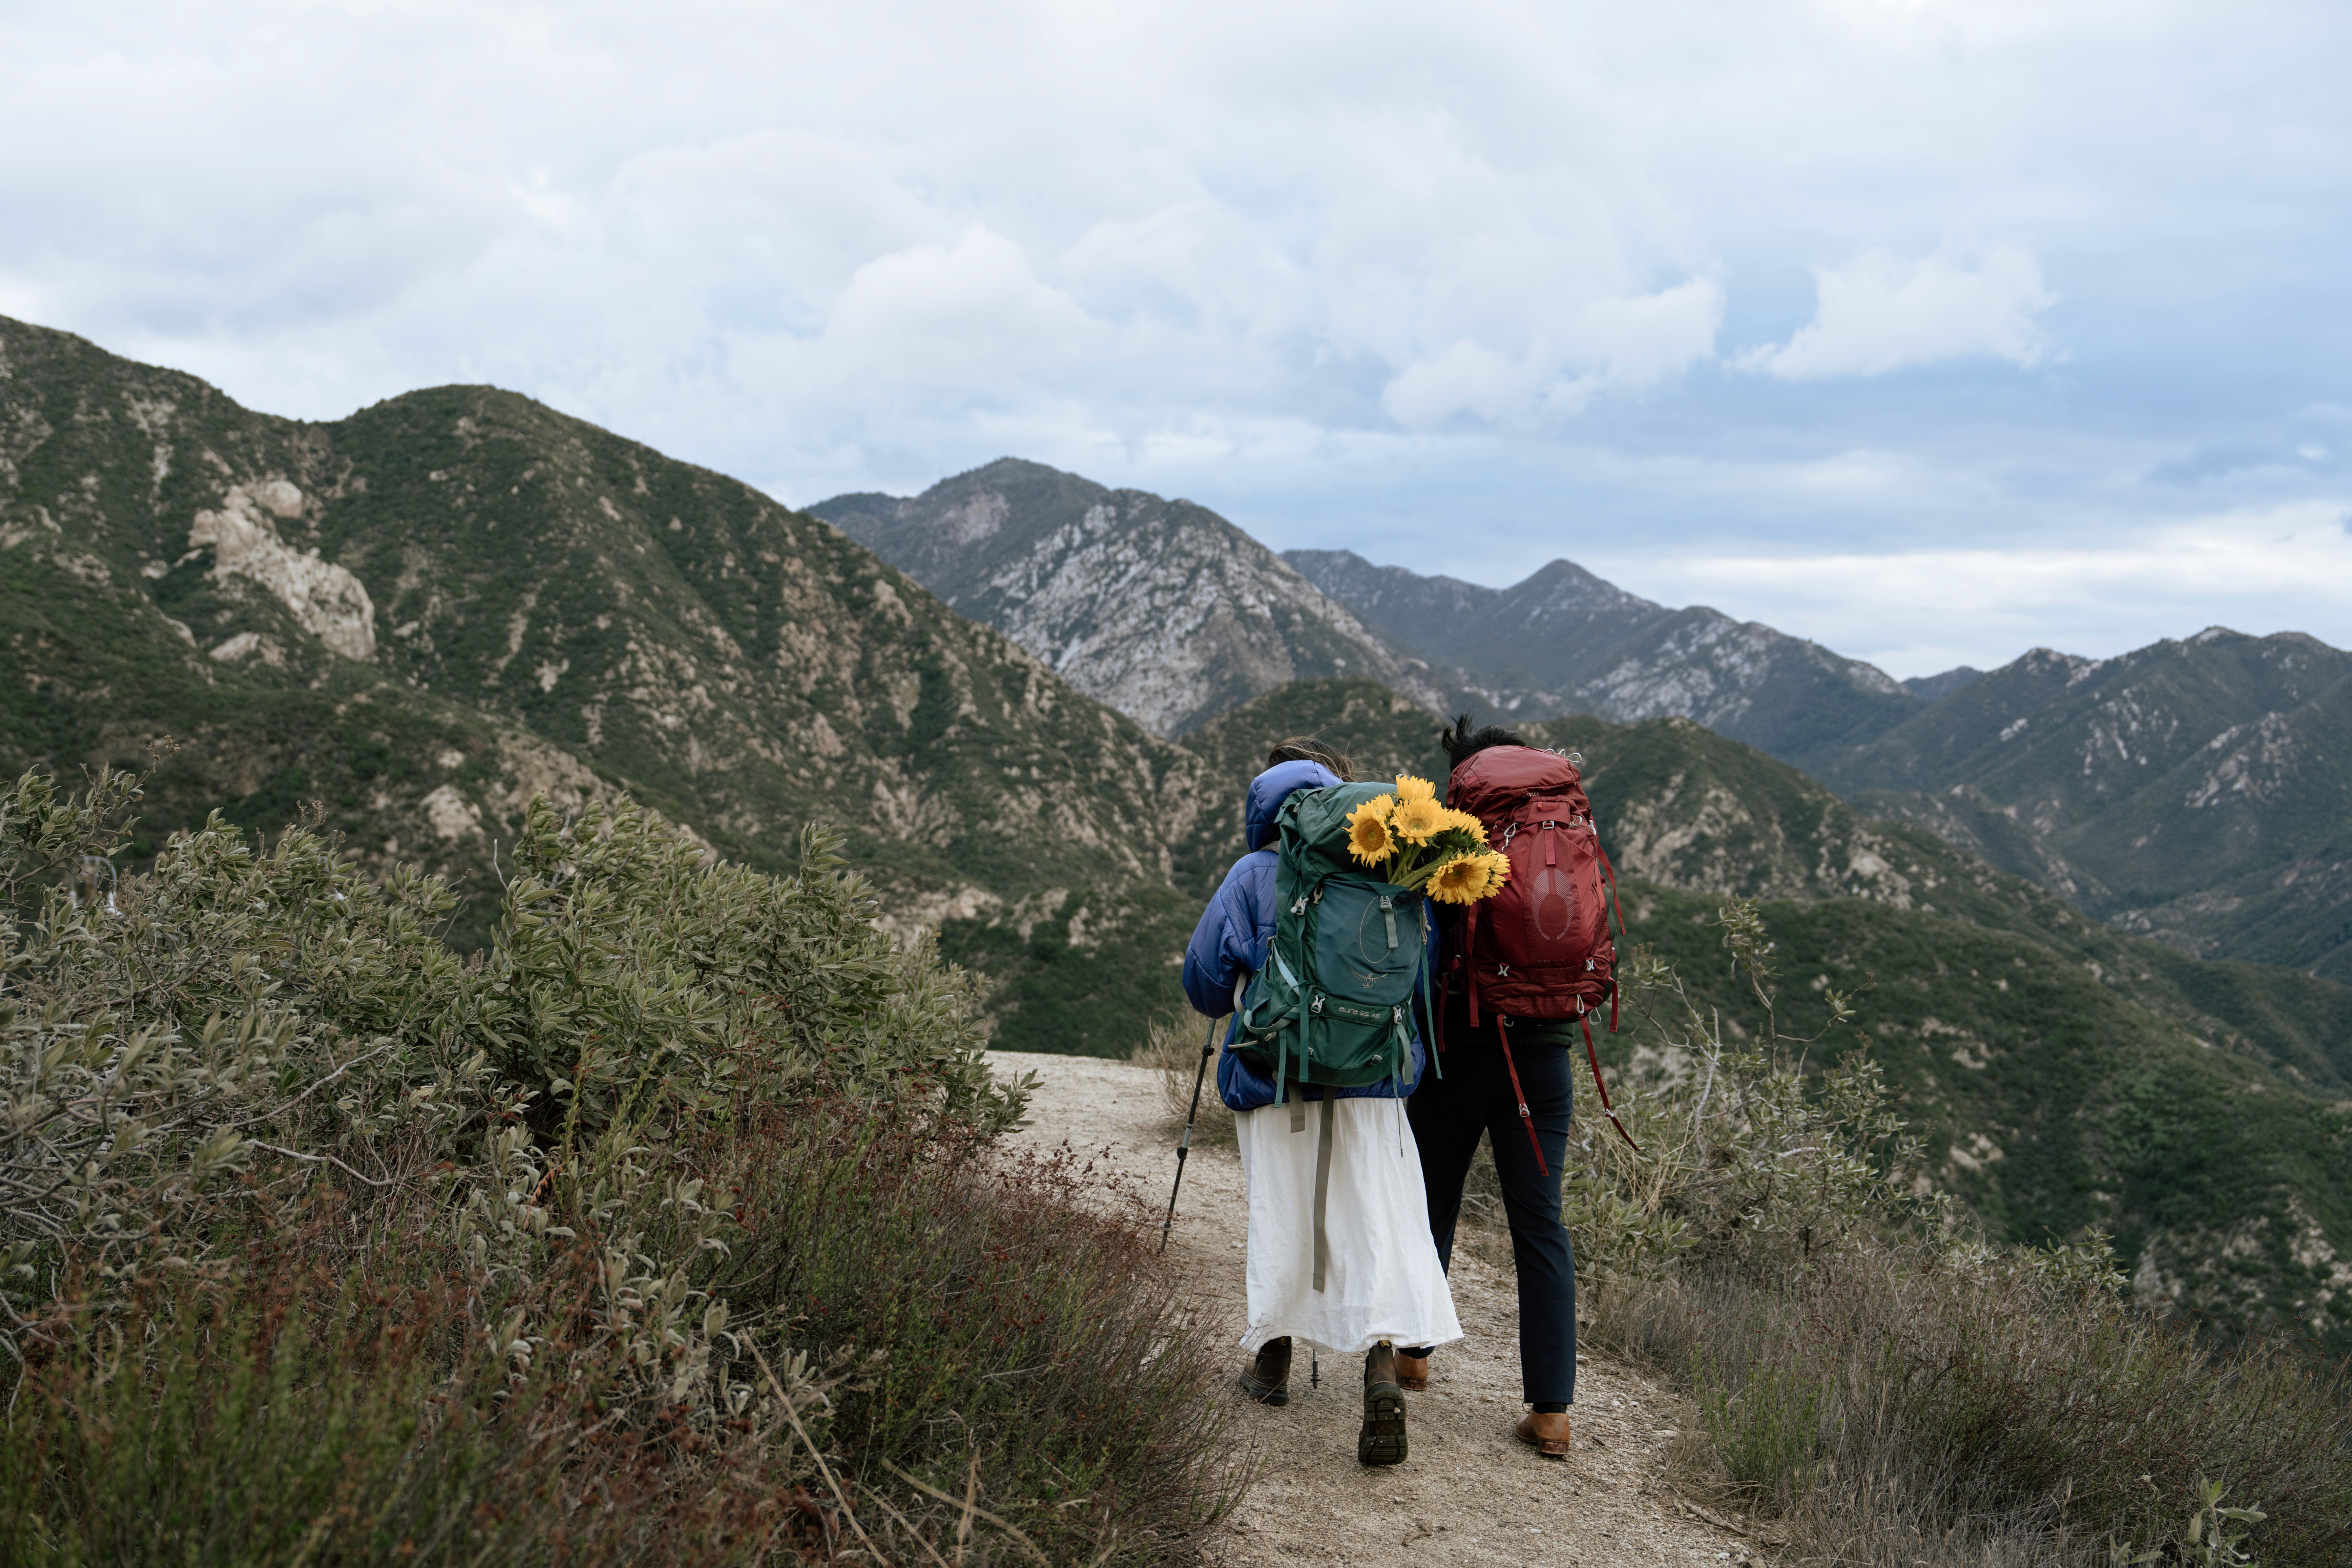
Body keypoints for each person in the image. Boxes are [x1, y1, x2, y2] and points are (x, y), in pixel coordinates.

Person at [1181, 737, 1462, 1468]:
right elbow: (1417, 981)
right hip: (1372, 1082)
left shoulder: (1251, 873)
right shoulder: (1395, 876)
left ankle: (1271, 1361)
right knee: (1371, 1221)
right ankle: (1377, 1367)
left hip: (1276, 1080)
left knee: (1284, 1210)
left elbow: (1205, 986)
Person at [1399, 718, 1580, 1459]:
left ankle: (1412, 1354)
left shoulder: (1456, 837)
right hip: (1545, 1055)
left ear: (1464, 777)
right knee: (1539, 1224)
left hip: (1462, 1049)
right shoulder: (1565, 830)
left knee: (1430, 1196)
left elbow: (1424, 941)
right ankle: (1551, 1413)